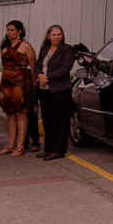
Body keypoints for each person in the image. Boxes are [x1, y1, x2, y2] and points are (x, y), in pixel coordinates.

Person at [35, 24, 75, 161]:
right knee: (47, 120)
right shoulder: (44, 48)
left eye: (59, 34)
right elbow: (37, 65)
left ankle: (58, 150)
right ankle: (48, 148)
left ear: (62, 36)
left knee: (60, 120)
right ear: (48, 36)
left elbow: (65, 68)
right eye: (54, 35)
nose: (57, 37)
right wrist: (39, 75)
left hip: (60, 89)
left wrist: (47, 77)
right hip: (44, 89)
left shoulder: (67, 49)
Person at [0, 20, 36, 156]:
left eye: (12, 30)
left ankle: (20, 146)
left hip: (21, 83)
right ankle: (11, 145)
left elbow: (33, 67)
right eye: (8, 30)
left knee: (21, 113)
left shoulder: (26, 46)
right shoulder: (4, 47)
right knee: (10, 114)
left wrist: (34, 84)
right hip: (6, 82)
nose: (9, 32)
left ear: (19, 31)